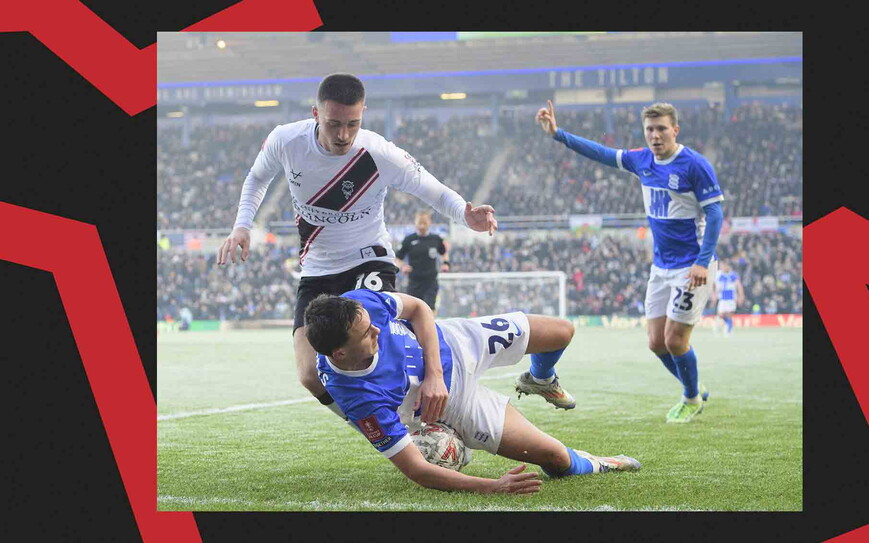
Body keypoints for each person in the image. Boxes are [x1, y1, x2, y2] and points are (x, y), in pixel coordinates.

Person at [216, 74, 499, 425]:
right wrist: (242, 225)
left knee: (378, 353)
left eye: (353, 123)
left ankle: (434, 416)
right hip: (317, 270)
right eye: (334, 123)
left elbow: (433, 190)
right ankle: (381, 430)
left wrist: (464, 212)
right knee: (309, 374)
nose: (343, 135)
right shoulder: (286, 140)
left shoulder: (378, 153)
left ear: (364, 112)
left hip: (370, 260)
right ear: (315, 113)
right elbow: (257, 177)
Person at [303, 289, 640, 494]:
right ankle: (601, 463)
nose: (377, 328)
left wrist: (434, 373)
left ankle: (540, 379)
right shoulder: (360, 398)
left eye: (371, 322)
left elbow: (419, 309)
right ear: (340, 354)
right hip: (455, 406)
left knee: (561, 332)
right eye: (366, 334)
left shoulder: (358, 304)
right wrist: (493, 487)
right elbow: (417, 470)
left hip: (456, 341)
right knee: (556, 459)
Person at [537, 100, 723, 423]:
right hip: (661, 266)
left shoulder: (694, 165)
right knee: (655, 342)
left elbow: (716, 214)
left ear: (675, 130)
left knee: (675, 340)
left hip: (692, 265)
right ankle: (692, 384)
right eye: (650, 129)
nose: (655, 135)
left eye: (662, 129)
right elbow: (602, 153)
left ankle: (692, 398)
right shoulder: (642, 160)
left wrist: (703, 263)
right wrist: (558, 134)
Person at [395, 211, 449, 313]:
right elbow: (398, 259)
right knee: (413, 310)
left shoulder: (435, 239)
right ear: (415, 223)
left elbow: (444, 253)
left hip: (431, 281)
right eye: (419, 223)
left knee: (430, 309)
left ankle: (431, 328)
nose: (422, 226)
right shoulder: (409, 240)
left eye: (424, 223)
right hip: (414, 281)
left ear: (429, 222)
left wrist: (445, 263)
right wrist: (403, 266)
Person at [712, 260, 744, 337]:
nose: (723, 267)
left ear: (728, 266)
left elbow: (739, 286)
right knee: (721, 314)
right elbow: (713, 284)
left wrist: (741, 296)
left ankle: (728, 330)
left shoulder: (733, 275)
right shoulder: (718, 274)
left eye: (725, 266)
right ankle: (720, 325)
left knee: (730, 313)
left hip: (731, 297)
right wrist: (714, 294)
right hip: (722, 297)